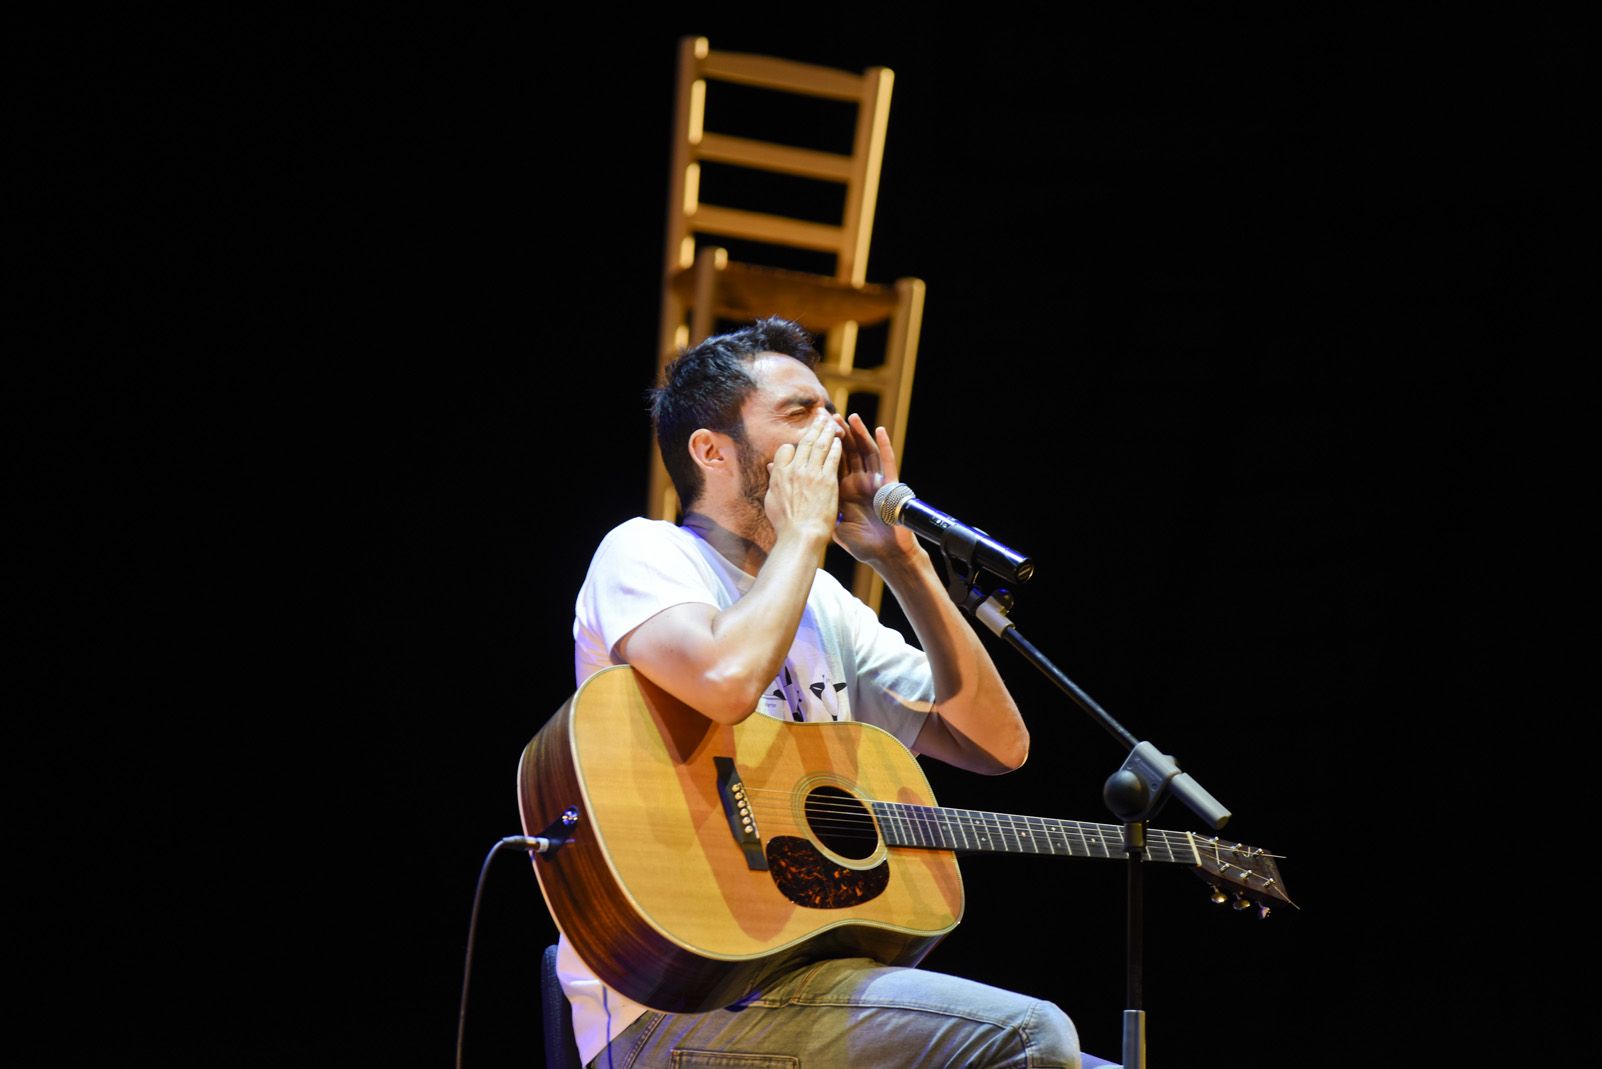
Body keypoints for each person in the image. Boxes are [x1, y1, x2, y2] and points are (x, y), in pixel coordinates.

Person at [561, 317, 1083, 1068]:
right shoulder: (645, 552)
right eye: (800, 412)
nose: (834, 428)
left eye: (830, 407)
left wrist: (902, 560)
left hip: (813, 976)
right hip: (677, 1004)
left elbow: (998, 745)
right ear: (712, 449)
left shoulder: (824, 605)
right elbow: (727, 679)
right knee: (1033, 1039)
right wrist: (805, 530)